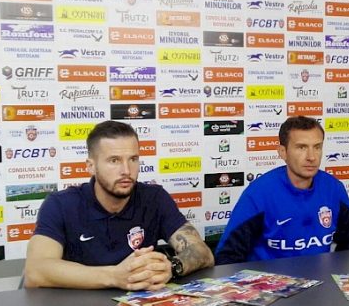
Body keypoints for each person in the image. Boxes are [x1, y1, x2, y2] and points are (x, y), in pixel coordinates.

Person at [24, 120, 213, 290]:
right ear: (91, 166)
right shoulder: (60, 204)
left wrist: (171, 267)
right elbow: (35, 271)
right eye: (114, 160)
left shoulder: (154, 198)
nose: (126, 170)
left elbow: (203, 253)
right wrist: (114, 276)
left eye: (133, 159)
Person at [215, 115, 349, 264]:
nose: (311, 157)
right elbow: (227, 256)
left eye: (317, 147)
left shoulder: (333, 188)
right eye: (302, 147)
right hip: (266, 278)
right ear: (282, 152)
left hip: (319, 277)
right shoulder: (259, 194)